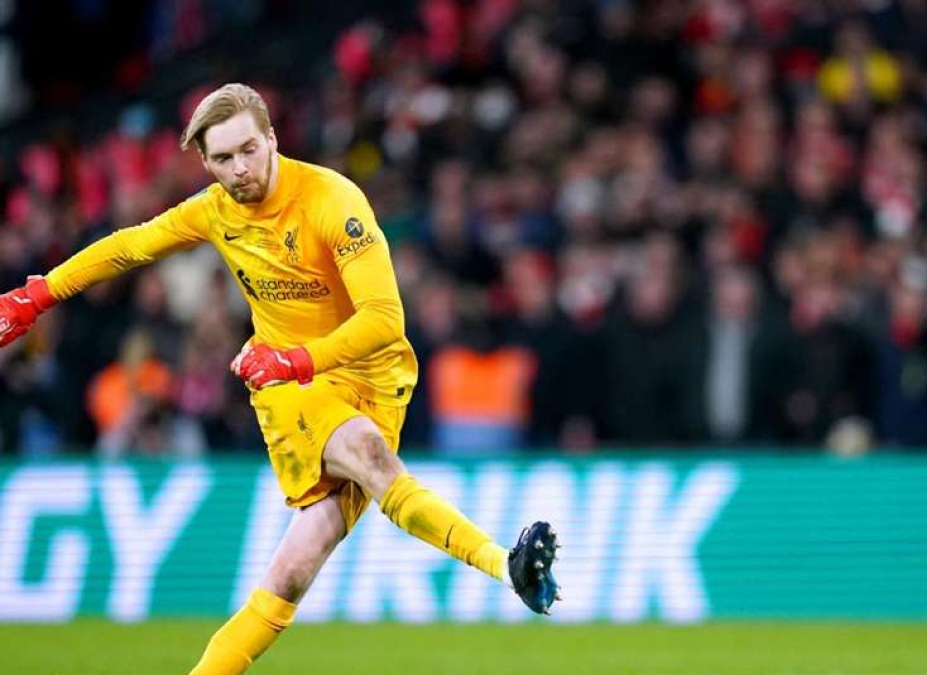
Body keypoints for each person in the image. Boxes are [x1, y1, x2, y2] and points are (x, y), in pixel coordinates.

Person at [0, 83, 561, 674]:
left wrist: (298, 359)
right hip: (294, 386)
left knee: (288, 577)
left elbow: (385, 319)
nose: (239, 170)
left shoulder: (330, 200)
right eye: (222, 159)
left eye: (248, 150)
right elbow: (130, 247)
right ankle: (507, 565)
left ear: (272, 139)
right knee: (372, 460)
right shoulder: (215, 211)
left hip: (368, 377)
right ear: (206, 163)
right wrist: (36, 295)